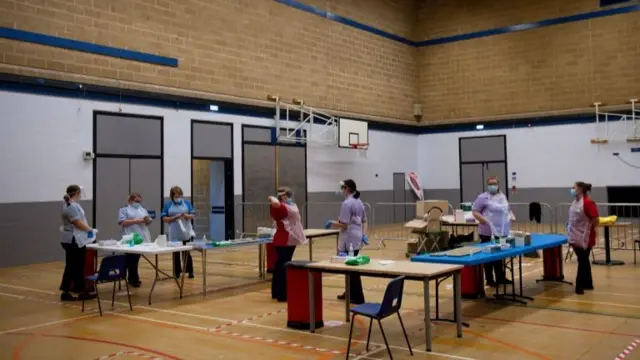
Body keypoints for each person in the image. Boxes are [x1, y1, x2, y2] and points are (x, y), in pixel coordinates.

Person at [326, 179, 367, 304]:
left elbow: (343, 224)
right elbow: (364, 220)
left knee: (351, 268)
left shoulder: (346, 204)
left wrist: (331, 222)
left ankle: (357, 296)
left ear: (347, 189)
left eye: (343, 188)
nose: (342, 191)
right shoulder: (359, 202)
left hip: (348, 239)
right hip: (356, 238)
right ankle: (349, 292)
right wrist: (363, 234)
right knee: (351, 267)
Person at [472, 177, 513, 286]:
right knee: (489, 256)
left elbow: (506, 209)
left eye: (494, 184)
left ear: (498, 184)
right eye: (490, 184)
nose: (492, 186)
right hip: (487, 232)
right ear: (487, 185)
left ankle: (501, 277)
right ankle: (489, 279)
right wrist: (484, 220)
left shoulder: (502, 197)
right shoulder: (482, 197)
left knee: (499, 256)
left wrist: (511, 216)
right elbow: (475, 212)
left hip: (501, 232)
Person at [59, 185, 97, 301]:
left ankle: (79, 288)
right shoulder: (71, 206)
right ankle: (66, 291)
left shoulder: (70, 205)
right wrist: (89, 229)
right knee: (73, 265)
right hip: (73, 240)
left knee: (78, 265)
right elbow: (77, 222)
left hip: (73, 239)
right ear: (77, 193)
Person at [268, 187, 306, 302]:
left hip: (291, 239)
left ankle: (278, 291)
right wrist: (273, 197)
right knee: (282, 267)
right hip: (284, 240)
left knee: (282, 265)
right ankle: (281, 293)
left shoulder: (290, 205)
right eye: (284, 196)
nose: (287, 197)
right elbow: (274, 203)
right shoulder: (280, 207)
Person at [568, 181, 599, 295]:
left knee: (582, 260)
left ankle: (579, 285)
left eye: (573, 187)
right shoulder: (574, 202)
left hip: (585, 238)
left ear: (580, 189)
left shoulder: (588, 203)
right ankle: (588, 284)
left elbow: (596, 219)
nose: (571, 189)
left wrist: (588, 230)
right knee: (584, 260)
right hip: (574, 237)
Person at [118, 192, 152, 288]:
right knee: (131, 258)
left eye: (139, 201)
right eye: (136, 201)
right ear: (130, 200)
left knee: (136, 258)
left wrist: (147, 220)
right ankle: (132, 278)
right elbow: (122, 222)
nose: (138, 203)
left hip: (142, 236)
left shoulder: (142, 209)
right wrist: (139, 221)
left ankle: (134, 277)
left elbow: (148, 221)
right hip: (130, 236)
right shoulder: (124, 210)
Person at [161, 186, 195, 279]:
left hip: (185, 231)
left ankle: (190, 271)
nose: (178, 197)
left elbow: (192, 214)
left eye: (180, 195)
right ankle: (177, 272)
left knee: (186, 251)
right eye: (176, 196)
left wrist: (188, 216)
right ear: (172, 196)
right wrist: (174, 218)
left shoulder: (187, 203)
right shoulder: (168, 205)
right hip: (174, 231)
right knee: (175, 252)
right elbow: (164, 218)